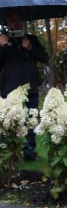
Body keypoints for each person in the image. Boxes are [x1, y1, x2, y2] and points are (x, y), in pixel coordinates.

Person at [0, 11, 49, 160]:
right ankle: (10, 154)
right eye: (11, 21)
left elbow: (44, 58)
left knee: (30, 121)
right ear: (6, 23)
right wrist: (1, 47)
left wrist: (30, 48)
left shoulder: (31, 39)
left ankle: (29, 152)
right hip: (9, 89)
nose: (14, 24)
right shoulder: (2, 40)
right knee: (8, 123)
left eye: (17, 21)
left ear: (22, 22)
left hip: (30, 87)